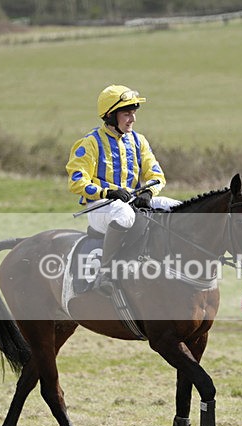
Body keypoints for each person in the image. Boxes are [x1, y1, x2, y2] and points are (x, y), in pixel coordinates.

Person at [66, 84, 180, 292]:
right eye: (127, 114)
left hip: (130, 201)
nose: (133, 119)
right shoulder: (89, 143)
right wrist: (108, 192)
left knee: (178, 207)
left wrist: (147, 192)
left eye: (134, 113)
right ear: (110, 116)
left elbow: (157, 176)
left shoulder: (139, 141)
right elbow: (77, 182)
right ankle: (106, 272)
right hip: (102, 207)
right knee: (125, 214)